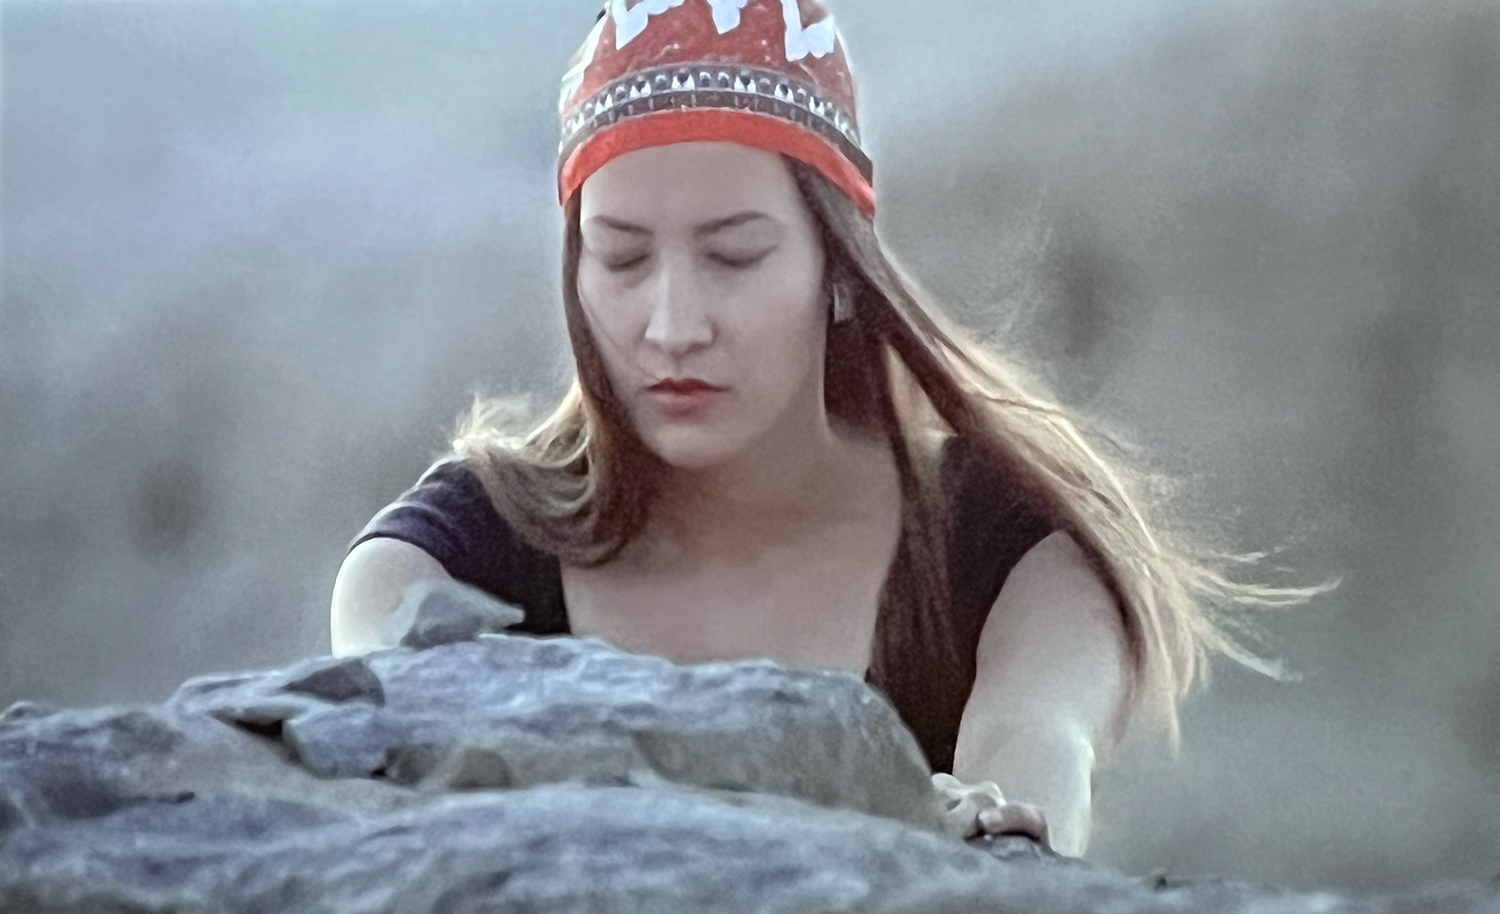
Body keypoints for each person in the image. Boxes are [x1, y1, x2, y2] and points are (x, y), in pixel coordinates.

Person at [329, 0, 1329, 858]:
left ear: (839, 269)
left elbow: (1033, 756)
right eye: (623, 258)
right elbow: (389, 730)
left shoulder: (1008, 544)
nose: (673, 325)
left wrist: (989, 826)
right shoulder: (447, 556)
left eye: (735, 255)